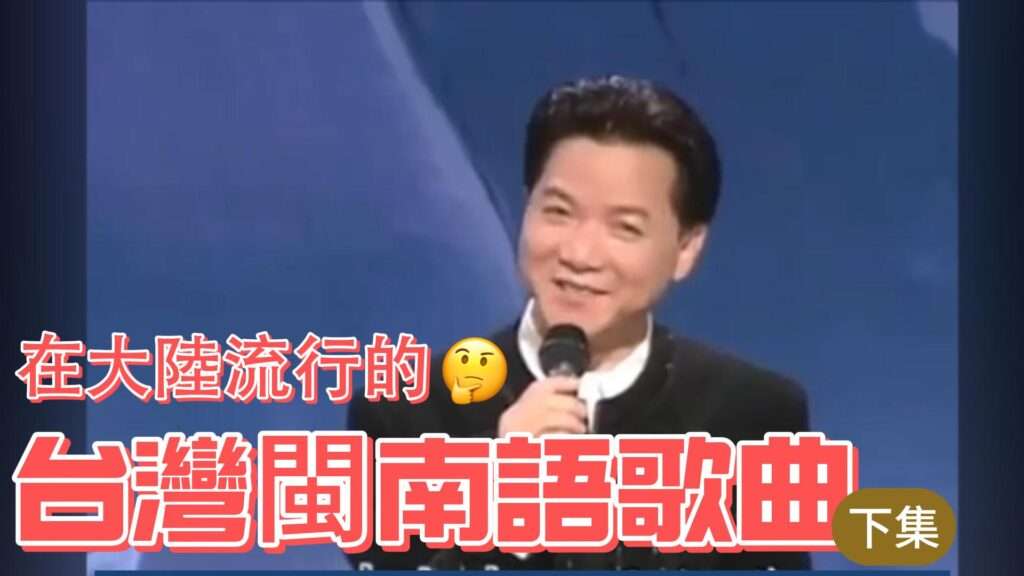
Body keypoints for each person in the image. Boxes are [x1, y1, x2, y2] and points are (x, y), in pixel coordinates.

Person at [348, 75, 809, 570]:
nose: (580, 254)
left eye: (625, 228)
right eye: (559, 212)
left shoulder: (753, 416)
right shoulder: (407, 413)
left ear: (686, 248)